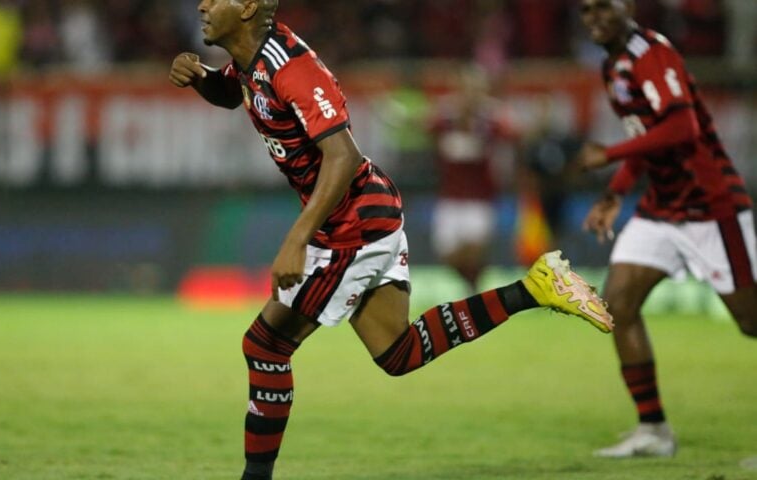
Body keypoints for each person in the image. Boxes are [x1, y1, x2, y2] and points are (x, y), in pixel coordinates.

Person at [170, 1, 613, 478]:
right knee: (398, 353)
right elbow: (237, 94)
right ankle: (535, 288)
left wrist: (296, 239)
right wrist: (203, 81)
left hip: (350, 226)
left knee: (265, 346)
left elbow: (341, 156)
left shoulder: (292, 68)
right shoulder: (251, 58)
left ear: (249, 7)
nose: (203, 4)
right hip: (364, 215)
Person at [576, 0, 757, 459]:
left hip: (711, 204)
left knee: (752, 321)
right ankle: (654, 430)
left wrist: (609, 154)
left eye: (603, 8)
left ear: (628, 7)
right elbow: (647, 137)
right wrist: (615, 192)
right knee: (617, 303)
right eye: (585, 10)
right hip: (662, 207)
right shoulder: (613, 64)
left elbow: (681, 127)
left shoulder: (650, 53)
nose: (593, 17)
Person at [427, 68, 516, 291]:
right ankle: (473, 285)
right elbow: (427, 128)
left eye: (475, 90)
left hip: (480, 198)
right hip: (450, 197)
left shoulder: (490, 119)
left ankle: (474, 290)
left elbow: (513, 134)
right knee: (448, 255)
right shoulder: (447, 117)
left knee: (474, 251)